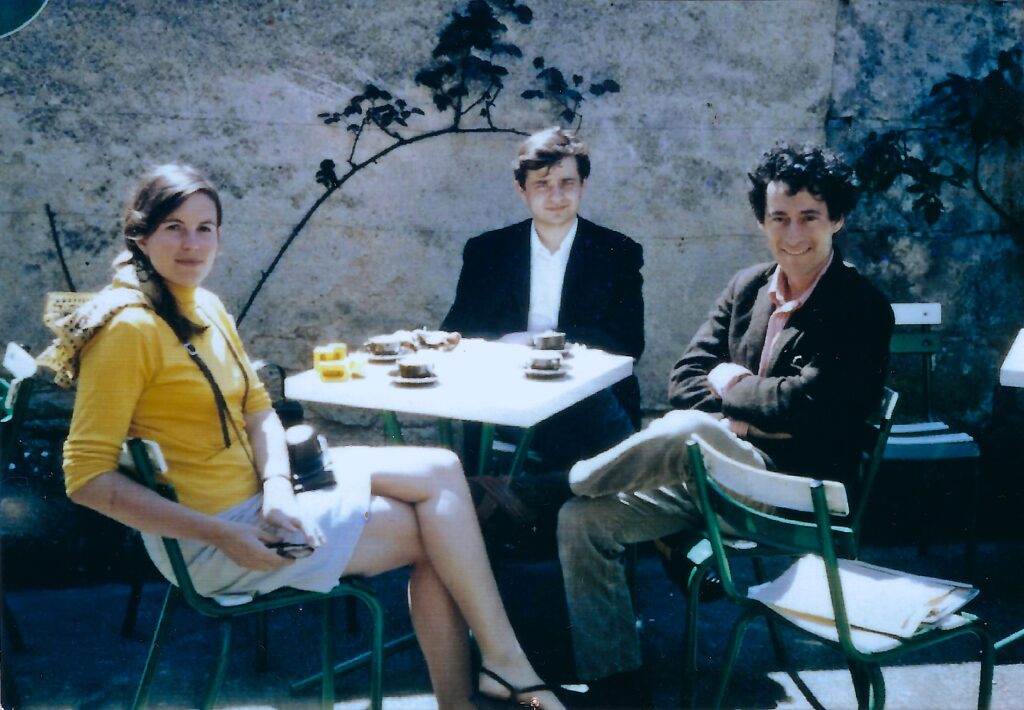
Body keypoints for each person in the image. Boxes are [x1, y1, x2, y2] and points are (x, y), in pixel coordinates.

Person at [41, 164, 569, 710]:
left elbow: (257, 410)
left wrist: (277, 492)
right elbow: (86, 479)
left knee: (440, 470)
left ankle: (503, 666)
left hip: (261, 501)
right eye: (174, 228)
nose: (192, 243)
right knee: (443, 537)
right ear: (141, 237)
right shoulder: (129, 329)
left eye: (205, 228)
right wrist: (222, 535)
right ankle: (492, 679)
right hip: (215, 538)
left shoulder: (203, 305)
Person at [556, 145, 895, 705]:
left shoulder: (860, 306)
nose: (793, 234)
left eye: (809, 216)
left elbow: (811, 406)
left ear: (837, 218)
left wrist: (731, 391)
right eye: (778, 217)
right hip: (712, 479)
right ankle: (614, 680)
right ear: (761, 221)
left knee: (690, 428)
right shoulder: (746, 287)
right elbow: (684, 378)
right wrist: (750, 415)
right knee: (580, 521)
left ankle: (563, 481)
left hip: (796, 492)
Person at [442, 127, 644, 469]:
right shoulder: (489, 251)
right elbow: (458, 332)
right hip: (505, 392)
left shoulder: (617, 252)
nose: (556, 196)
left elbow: (628, 343)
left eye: (567, 183)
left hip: (584, 398)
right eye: (542, 185)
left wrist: (542, 346)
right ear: (521, 190)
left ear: (583, 186)